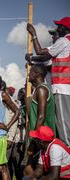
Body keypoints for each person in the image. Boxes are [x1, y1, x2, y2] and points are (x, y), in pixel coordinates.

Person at [25, 17, 70, 145]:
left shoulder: (64, 41)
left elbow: (41, 53)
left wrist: (33, 34)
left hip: (62, 87)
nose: (58, 29)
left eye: (59, 27)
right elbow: (45, 60)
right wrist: (32, 59)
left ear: (65, 28)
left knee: (63, 123)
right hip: (63, 88)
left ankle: (66, 153)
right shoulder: (64, 44)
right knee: (61, 123)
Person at [24, 64, 57, 176]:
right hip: (39, 138)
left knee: (30, 171)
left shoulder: (42, 90)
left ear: (37, 74)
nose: (29, 74)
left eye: (31, 71)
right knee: (30, 171)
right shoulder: (39, 89)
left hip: (42, 139)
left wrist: (33, 142)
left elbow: (41, 116)